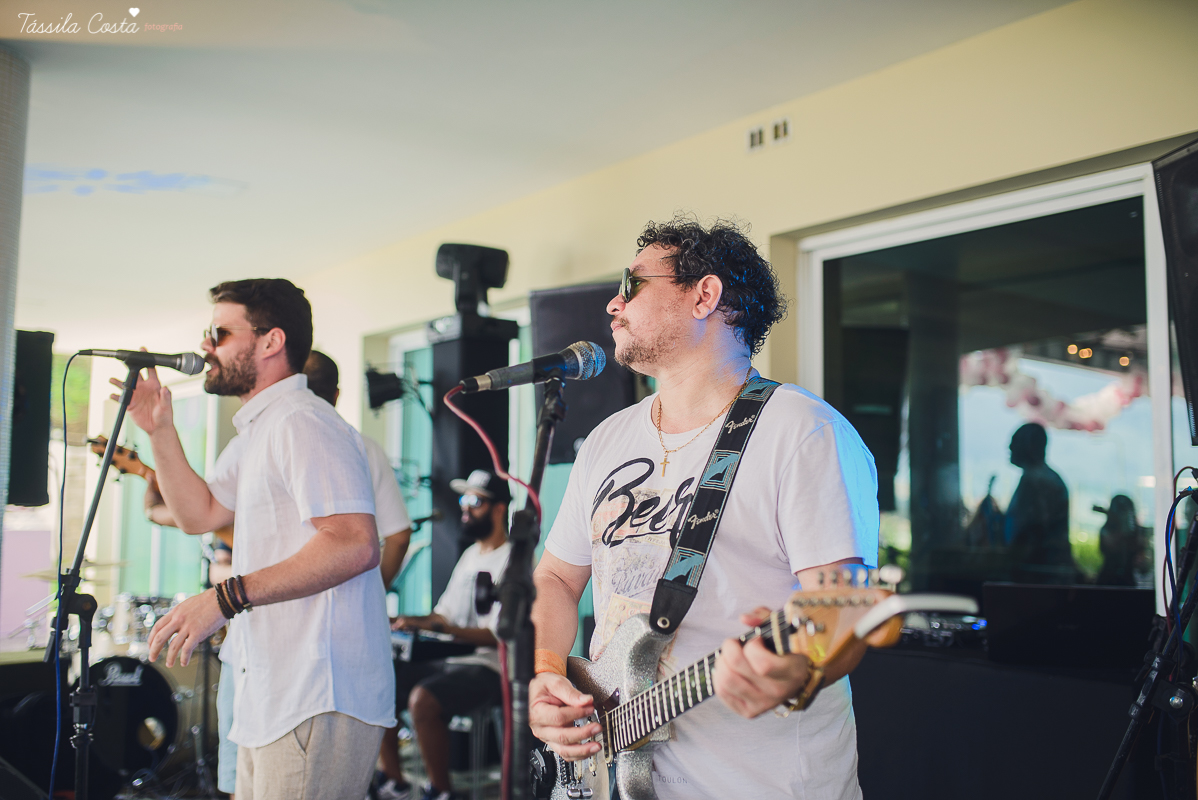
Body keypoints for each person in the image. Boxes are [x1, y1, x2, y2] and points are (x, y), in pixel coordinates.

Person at [529, 216, 879, 800]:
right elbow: (557, 579)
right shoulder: (607, 441)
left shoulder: (801, 430)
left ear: (705, 295)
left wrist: (797, 670)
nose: (614, 303)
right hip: (616, 772)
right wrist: (546, 675)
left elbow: (840, 608)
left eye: (633, 282)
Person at [120, 278, 395, 800]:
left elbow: (354, 543)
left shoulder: (302, 421)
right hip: (273, 691)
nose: (205, 346)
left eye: (220, 333)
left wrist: (224, 598)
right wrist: (158, 430)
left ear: (271, 342)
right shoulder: (261, 429)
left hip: (316, 693)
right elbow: (199, 513)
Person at [387, 469, 511, 800]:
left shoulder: (515, 559)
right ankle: (395, 783)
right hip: (450, 660)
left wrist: (440, 628)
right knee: (379, 681)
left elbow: (497, 637)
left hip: (488, 668)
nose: (465, 508)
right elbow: (444, 615)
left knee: (423, 700)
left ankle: (441, 792)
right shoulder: (470, 556)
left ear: (499, 509)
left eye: (475, 501)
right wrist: (412, 621)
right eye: (462, 500)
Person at [1004, 422, 1075, 584]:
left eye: (1015, 441)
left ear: (1029, 445)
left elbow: (1033, 531)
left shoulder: (1038, 481)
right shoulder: (1039, 478)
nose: (1009, 447)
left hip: (1041, 577)